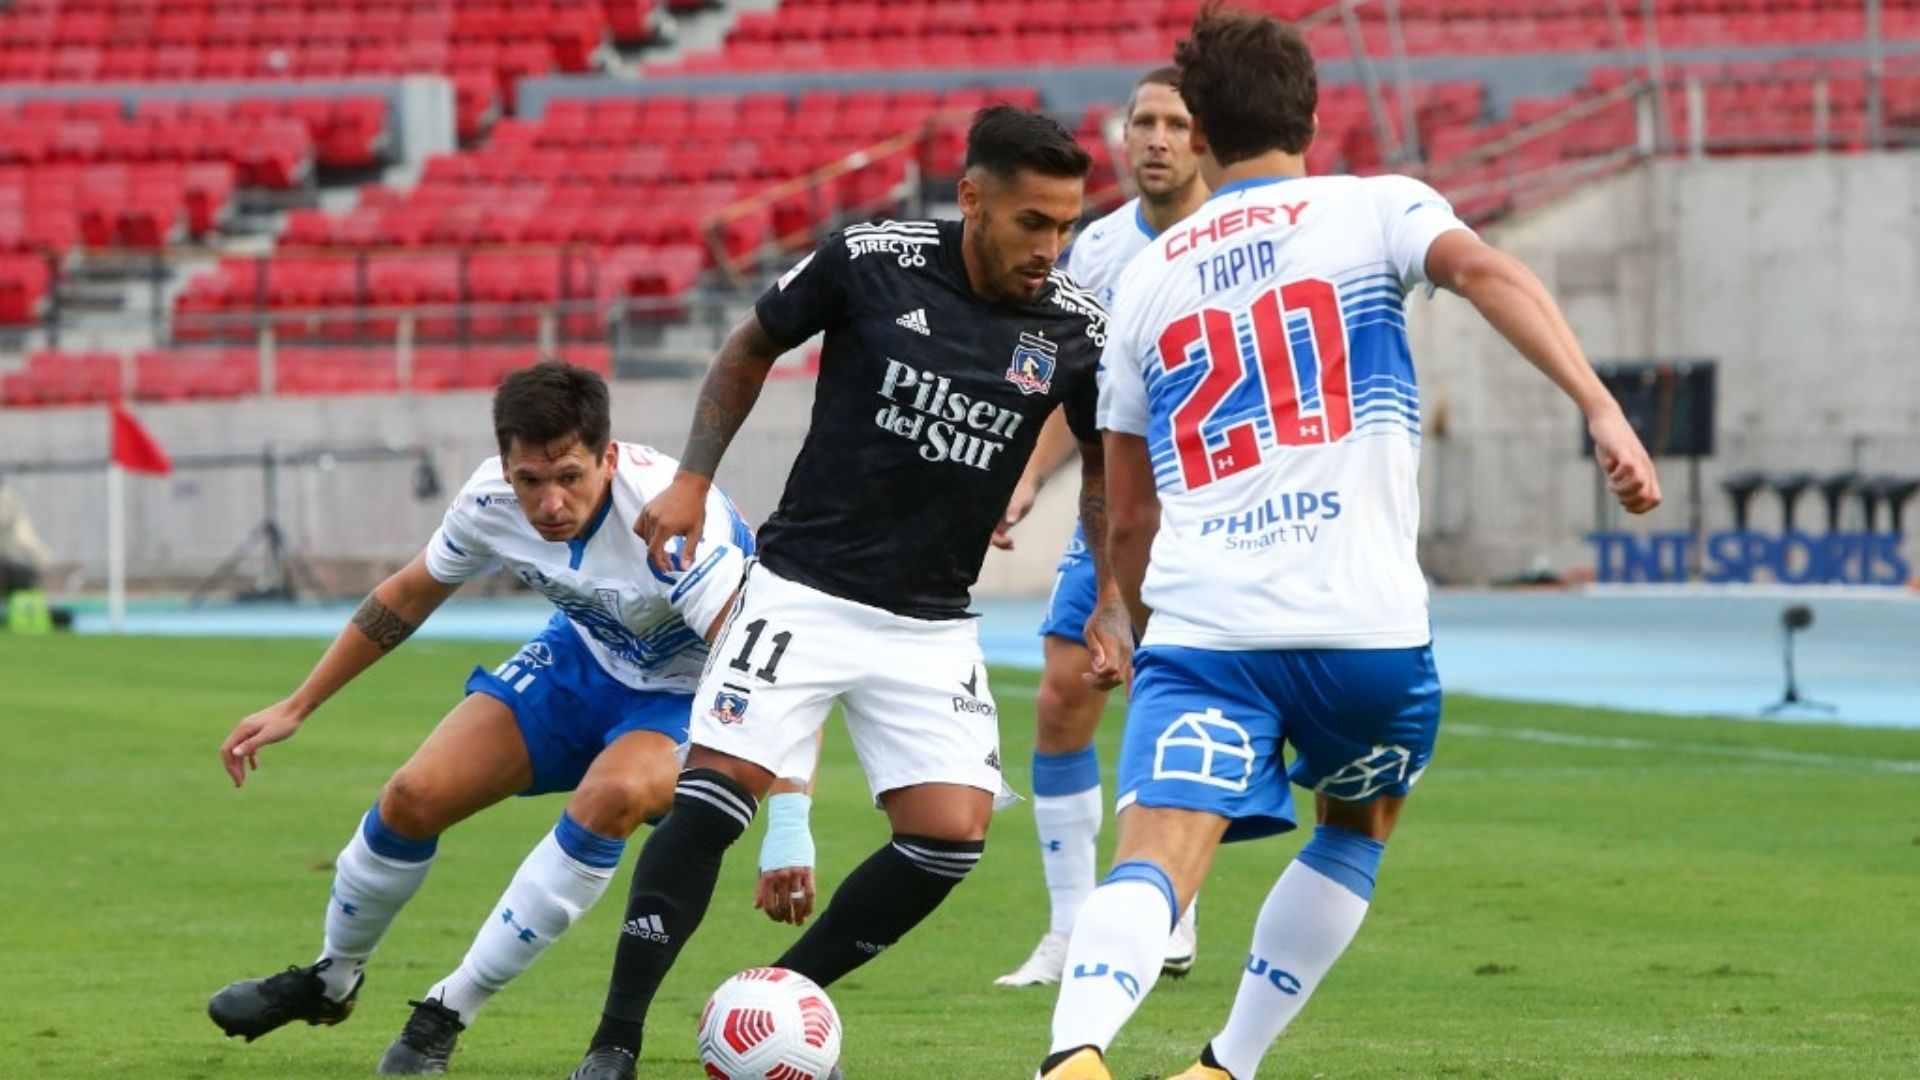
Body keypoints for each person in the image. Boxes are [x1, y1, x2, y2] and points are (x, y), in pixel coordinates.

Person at [1037, 9, 1662, 1080]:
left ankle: (1075, 1055)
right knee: (1357, 825)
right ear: (1315, 117)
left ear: (1199, 136)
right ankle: (1227, 1065)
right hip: (1364, 631)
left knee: (1158, 855)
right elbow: (1490, 276)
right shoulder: (1378, 209)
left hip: (1208, 630)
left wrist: (1127, 625)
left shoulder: (1140, 284)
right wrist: (1599, 407)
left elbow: (1128, 515)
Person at [566, 105, 1132, 1080]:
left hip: (932, 620)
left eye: (1065, 224)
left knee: (949, 839)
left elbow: (1105, 465)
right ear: (971, 200)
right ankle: (613, 1042)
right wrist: (696, 479)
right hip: (803, 589)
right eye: (1031, 222)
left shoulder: (1077, 329)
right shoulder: (872, 257)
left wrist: (1112, 596)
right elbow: (750, 345)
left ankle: (775, 1000)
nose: (1051, 246)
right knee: (711, 798)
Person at [206, 362, 799, 1076]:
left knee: (609, 798)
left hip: (691, 691)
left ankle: (446, 1012)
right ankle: (331, 980)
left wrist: (788, 830)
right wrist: (296, 705)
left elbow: (774, 679)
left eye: (569, 477)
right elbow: (407, 594)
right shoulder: (489, 498)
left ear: (608, 459)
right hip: (582, 658)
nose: (549, 503)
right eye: (530, 481)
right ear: (506, 465)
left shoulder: (675, 530)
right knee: (410, 797)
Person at [995, 66, 1212, 990]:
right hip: (1118, 500)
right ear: (1122, 139)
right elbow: (1063, 388)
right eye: (1143, 122)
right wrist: (1024, 476)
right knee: (1061, 695)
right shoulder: (1093, 253)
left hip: (1213, 505)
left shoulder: (1236, 235)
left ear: (1204, 138)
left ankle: (1174, 904)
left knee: (1177, 692)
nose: (1157, 138)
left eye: (1175, 122)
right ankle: (1067, 928)